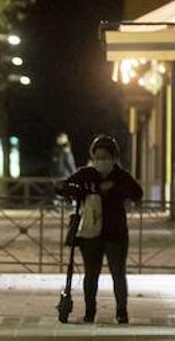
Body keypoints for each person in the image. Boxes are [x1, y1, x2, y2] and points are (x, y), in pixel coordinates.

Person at [60, 134, 143, 324]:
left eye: (105, 157)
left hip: (116, 233)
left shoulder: (121, 176)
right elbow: (64, 186)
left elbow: (137, 193)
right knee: (91, 274)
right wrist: (82, 190)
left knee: (118, 274)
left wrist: (115, 188)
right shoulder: (87, 174)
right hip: (90, 233)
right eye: (97, 157)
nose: (101, 161)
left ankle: (121, 312)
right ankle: (90, 312)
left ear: (114, 158)